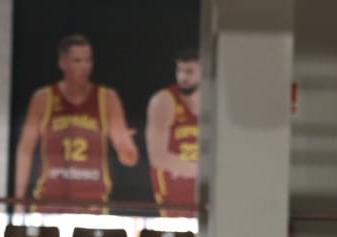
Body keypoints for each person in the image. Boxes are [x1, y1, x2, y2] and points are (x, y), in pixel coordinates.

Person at [14, 33, 140, 212]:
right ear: (62, 63)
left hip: (93, 204)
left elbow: (129, 159)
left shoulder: (107, 98)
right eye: (77, 61)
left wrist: (126, 148)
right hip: (48, 202)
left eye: (88, 61)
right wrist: (18, 201)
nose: (84, 67)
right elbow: (25, 150)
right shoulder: (43, 98)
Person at [146, 50, 200, 217]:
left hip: (207, 197)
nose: (183, 77)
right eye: (179, 70)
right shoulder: (164, 100)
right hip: (173, 197)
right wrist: (203, 171)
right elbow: (158, 156)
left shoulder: (216, 101)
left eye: (189, 71)